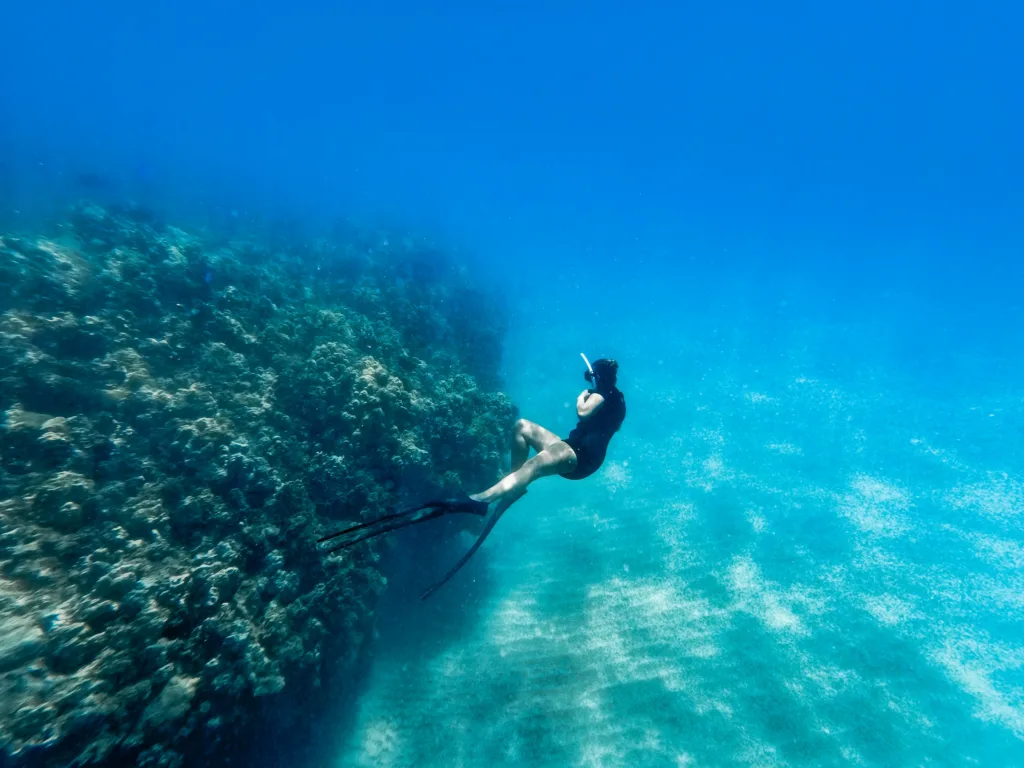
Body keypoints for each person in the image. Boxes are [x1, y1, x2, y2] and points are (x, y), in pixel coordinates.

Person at [318, 357, 626, 599]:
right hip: (578, 450)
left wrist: (583, 392)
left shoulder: (601, 395)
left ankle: (482, 499)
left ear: (598, 377)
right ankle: (512, 487)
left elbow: (585, 411)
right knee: (521, 427)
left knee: (534, 466)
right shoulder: (617, 398)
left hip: (579, 456)